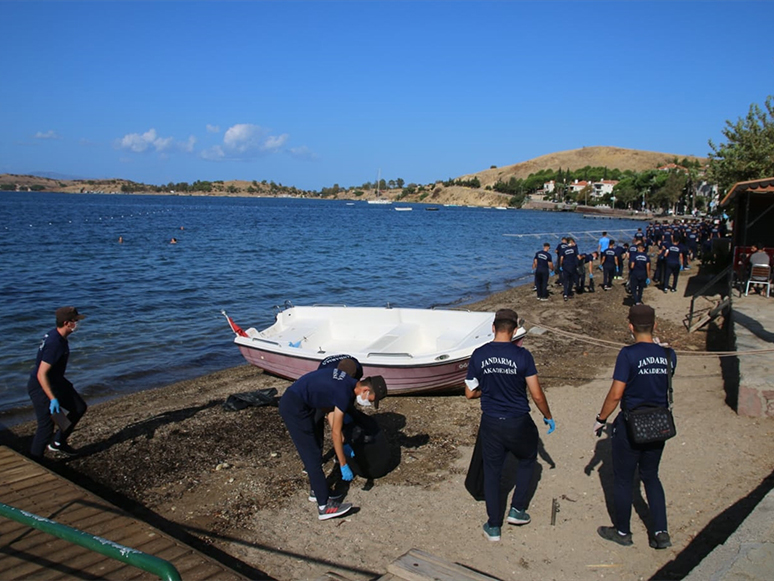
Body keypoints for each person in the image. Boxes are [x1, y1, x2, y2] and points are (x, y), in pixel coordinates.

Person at [465, 309, 555, 542]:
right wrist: (547, 415)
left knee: (493, 472)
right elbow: (536, 394)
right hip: (518, 420)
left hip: (492, 422)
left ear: (493, 328)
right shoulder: (523, 356)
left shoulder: (478, 354)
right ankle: (517, 509)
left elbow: (469, 393)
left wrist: (490, 387)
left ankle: (494, 525)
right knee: (527, 460)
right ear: (514, 331)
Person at [593, 305, 676, 550]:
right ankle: (660, 532)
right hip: (659, 423)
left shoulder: (627, 355)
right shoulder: (669, 354)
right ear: (655, 325)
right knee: (651, 476)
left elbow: (616, 393)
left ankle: (622, 531)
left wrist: (601, 418)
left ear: (630, 327)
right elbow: (665, 379)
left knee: (623, 479)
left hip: (632, 423)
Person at [279, 366, 387, 520]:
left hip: (304, 403)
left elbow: (328, 408)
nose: (369, 403)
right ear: (365, 391)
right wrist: (343, 464)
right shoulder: (343, 393)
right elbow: (335, 433)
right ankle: (324, 507)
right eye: (371, 400)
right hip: (294, 407)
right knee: (312, 456)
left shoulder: (347, 383)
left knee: (314, 448)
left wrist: (343, 442)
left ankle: (317, 492)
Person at [27, 306, 88, 458]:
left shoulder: (59, 337)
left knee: (79, 408)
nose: (78, 324)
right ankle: (35, 460)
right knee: (46, 426)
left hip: (56, 381)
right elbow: (42, 374)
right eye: (75, 321)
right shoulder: (55, 343)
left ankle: (58, 443)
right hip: (41, 386)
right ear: (67, 323)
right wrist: (53, 399)